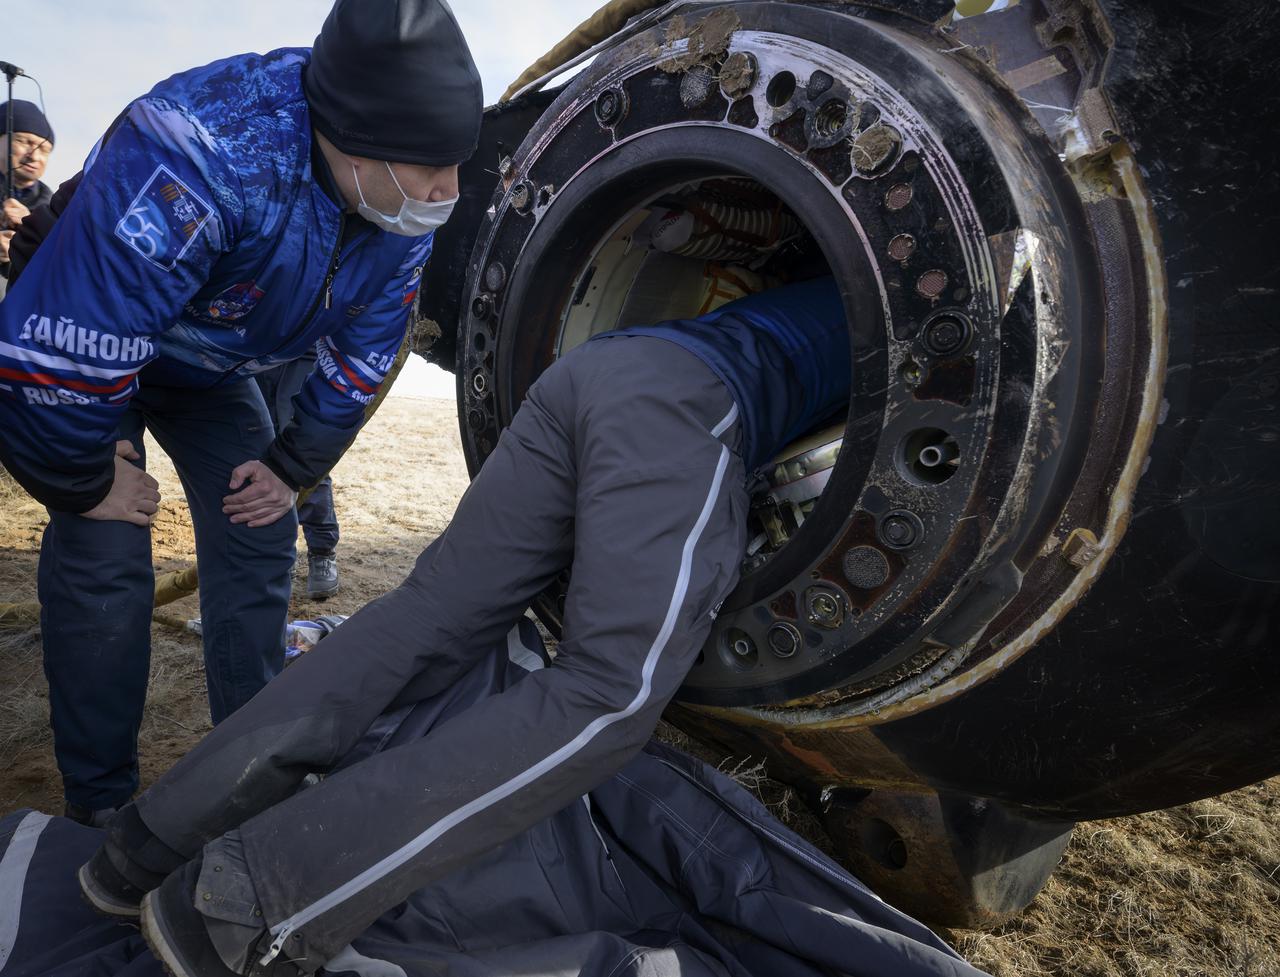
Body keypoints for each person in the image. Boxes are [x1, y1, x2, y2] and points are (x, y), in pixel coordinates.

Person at [77, 275, 852, 977]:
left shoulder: (813, 288)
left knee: (424, 614)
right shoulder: (934, 310)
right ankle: (243, 908)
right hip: (688, 400)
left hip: (590, 371)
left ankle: (144, 844)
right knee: (605, 693)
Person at [0, 0, 482, 827]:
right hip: (98, 353)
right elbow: (63, 342)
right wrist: (79, 477)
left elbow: (365, 354)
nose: (448, 192)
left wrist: (294, 465)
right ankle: (101, 802)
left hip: (211, 365)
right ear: (350, 136)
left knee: (261, 524)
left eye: (457, 164)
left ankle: (247, 758)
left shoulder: (405, 207)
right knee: (106, 549)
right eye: (428, 168)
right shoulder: (199, 149)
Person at [255, 356, 343, 598]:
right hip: (261, 352)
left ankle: (322, 551)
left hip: (308, 351)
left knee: (304, 450)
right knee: (259, 444)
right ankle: (280, 552)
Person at [0, 99, 54, 300]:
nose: (34, 156)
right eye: (24, 141)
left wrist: (34, 227)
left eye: (44, 149)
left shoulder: (58, 210)